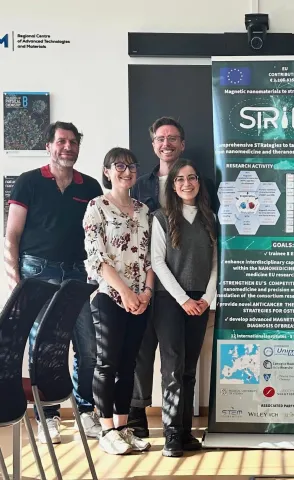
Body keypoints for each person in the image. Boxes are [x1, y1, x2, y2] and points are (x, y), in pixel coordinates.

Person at [5, 121, 103, 444]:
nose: (67, 147)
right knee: (44, 349)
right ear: (49, 146)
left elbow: (97, 236)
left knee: (88, 347)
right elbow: (12, 235)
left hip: (77, 273)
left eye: (73, 142)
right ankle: (48, 418)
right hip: (37, 271)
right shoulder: (28, 182)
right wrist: (15, 279)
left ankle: (85, 411)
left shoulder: (90, 187)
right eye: (61, 141)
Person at [128, 116, 217, 437]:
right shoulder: (140, 185)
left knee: (179, 363)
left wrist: (205, 296)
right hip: (143, 284)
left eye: (173, 138)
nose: (166, 144)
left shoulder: (205, 196)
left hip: (184, 285)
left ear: (182, 143)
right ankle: (136, 420)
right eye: (160, 139)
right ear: (153, 144)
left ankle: (180, 430)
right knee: (143, 355)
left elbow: (211, 250)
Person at [84, 147, 154, 455]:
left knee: (129, 366)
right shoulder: (97, 206)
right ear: (107, 171)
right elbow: (97, 258)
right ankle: (107, 430)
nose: (127, 171)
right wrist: (125, 293)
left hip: (140, 299)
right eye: (120, 166)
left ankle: (123, 428)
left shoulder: (143, 210)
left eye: (132, 166)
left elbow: (150, 258)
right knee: (107, 363)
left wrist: (146, 293)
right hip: (109, 297)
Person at [150, 159, 217, 457]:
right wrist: (183, 299)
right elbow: (157, 262)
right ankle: (172, 435)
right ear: (173, 186)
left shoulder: (210, 218)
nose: (186, 183)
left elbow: (216, 263)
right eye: (180, 179)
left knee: (189, 368)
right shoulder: (161, 217)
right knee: (173, 368)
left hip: (200, 301)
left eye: (192, 178)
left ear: (199, 182)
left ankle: (186, 431)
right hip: (170, 301)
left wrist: (207, 298)